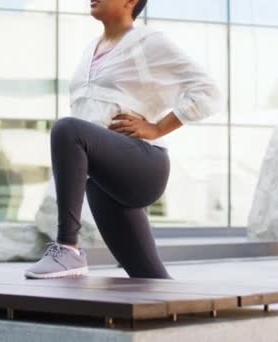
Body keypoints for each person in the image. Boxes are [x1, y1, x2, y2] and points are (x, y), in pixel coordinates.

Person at [24, 0, 224, 279]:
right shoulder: (89, 49)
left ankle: (67, 247)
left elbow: (208, 91)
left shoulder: (148, 41)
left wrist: (157, 128)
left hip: (144, 163)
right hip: (105, 180)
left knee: (66, 129)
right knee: (148, 277)